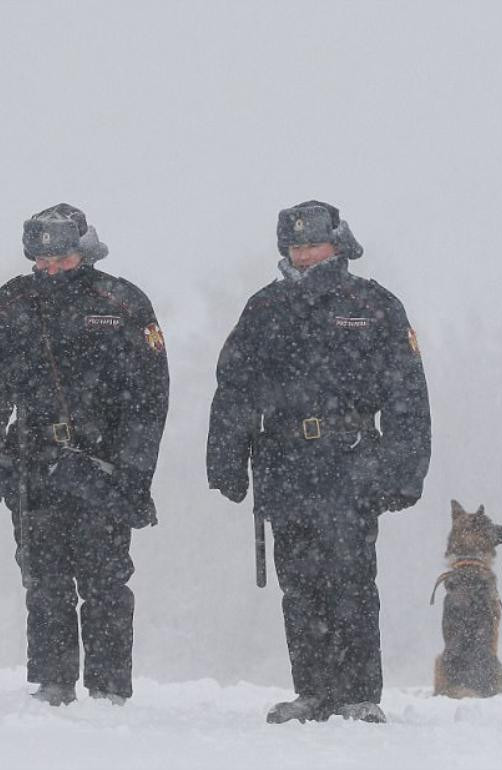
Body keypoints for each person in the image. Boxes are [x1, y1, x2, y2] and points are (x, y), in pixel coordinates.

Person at [207, 200, 431, 724]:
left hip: (350, 461)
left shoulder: (374, 305)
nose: (304, 255)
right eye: (295, 246)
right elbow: (234, 387)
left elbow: (407, 394)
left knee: (351, 577)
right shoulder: (264, 308)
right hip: (284, 462)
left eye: (313, 244)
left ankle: (357, 693)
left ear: (339, 244)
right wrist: (226, 457)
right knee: (300, 582)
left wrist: (405, 470)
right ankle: (311, 690)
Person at [0, 203, 169, 706]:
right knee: (43, 577)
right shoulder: (13, 299)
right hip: (33, 459)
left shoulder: (121, 301)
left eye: (60, 257)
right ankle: (53, 681)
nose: (50, 266)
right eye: (42, 257)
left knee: (105, 580)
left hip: (101, 461)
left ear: (83, 249)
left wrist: (135, 473)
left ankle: (108, 688)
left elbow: (151, 397)